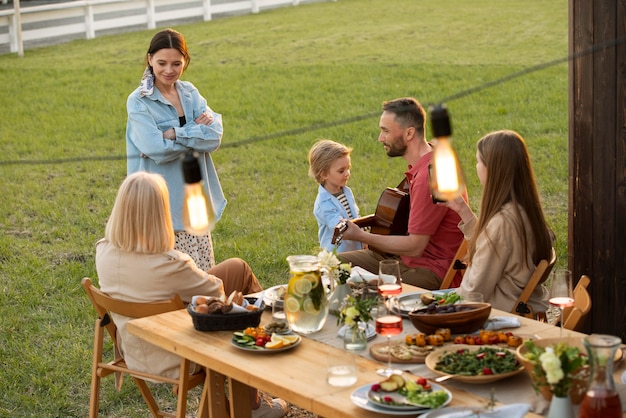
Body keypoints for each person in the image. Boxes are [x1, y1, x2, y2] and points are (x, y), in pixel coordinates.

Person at [96, 172, 287, 418]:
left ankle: (248, 396)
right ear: (160, 214)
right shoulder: (170, 264)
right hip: (177, 353)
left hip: (132, 347)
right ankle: (253, 401)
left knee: (237, 268)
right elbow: (218, 292)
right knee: (239, 302)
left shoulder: (104, 252)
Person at [338, 98, 465, 290]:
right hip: (405, 259)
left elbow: (415, 246)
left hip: (430, 269)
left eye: (386, 131)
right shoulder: (432, 155)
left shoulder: (428, 176)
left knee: (363, 287)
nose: (380, 138)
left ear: (409, 133)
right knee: (331, 267)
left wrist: (362, 237)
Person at [126, 28, 225, 273]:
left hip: (194, 198)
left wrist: (174, 133)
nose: (169, 70)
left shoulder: (190, 93)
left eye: (176, 63)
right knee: (171, 282)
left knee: (203, 279)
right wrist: (193, 131)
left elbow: (214, 136)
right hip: (160, 204)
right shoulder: (138, 101)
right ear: (149, 59)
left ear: (185, 62)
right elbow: (155, 148)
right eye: (161, 63)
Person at [442, 130, 553, 313]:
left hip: (499, 314)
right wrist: (463, 211)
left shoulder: (502, 223)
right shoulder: (524, 210)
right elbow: (495, 245)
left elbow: (473, 294)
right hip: (523, 305)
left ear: (492, 169)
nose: (476, 166)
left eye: (478, 161)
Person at [308, 139, 363, 252]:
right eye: (341, 171)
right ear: (324, 174)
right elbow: (340, 227)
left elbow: (355, 216)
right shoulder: (323, 204)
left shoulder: (346, 191)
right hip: (337, 255)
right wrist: (364, 237)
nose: (347, 173)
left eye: (348, 168)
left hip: (356, 248)